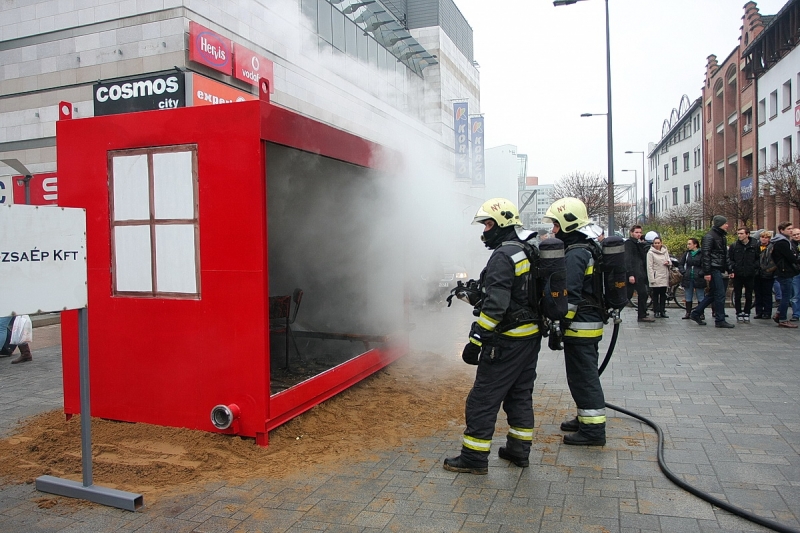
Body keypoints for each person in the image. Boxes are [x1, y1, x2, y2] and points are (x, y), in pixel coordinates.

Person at [443, 198, 542, 475]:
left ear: (501, 224)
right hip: (529, 338)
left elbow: (496, 307)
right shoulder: (526, 250)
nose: (484, 231)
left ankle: (474, 459)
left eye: (488, 224)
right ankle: (518, 451)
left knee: (483, 398)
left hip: (506, 341)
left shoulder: (502, 255)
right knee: (520, 395)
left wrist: (476, 340)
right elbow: (519, 294)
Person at [544, 198, 607, 446]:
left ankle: (593, 431)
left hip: (580, 325)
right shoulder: (588, 248)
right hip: (588, 322)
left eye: (557, 225)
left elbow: (570, 296)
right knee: (584, 374)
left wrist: (559, 325)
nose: (553, 231)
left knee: (583, 377)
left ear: (569, 224)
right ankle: (585, 418)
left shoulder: (576, 254)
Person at [690, 215, 734, 328]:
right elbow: (706, 255)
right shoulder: (709, 237)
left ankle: (695, 313)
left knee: (713, 294)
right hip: (714, 269)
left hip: (719, 268)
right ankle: (720, 319)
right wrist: (707, 272)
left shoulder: (722, 237)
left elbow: (725, 255)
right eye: (725, 223)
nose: (727, 225)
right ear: (720, 224)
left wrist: (730, 269)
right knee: (719, 294)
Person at [770, 221, 800, 328]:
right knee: (786, 296)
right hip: (785, 271)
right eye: (789, 229)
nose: (791, 231)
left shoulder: (778, 241)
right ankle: (782, 318)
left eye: (792, 228)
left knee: (786, 295)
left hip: (782, 271)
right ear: (782, 230)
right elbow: (791, 258)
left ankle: (779, 314)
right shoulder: (783, 242)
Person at [728, 227, 759, 323]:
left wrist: (754, 267)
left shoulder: (755, 245)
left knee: (749, 294)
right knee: (737, 294)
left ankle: (747, 312)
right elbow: (730, 259)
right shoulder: (734, 246)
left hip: (750, 273)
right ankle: (738, 312)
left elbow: (758, 258)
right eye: (738, 234)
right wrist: (732, 268)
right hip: (738, 273)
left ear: (747, 234)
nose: (739, 235)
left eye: (741, 233)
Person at [624, 225, 654, 323]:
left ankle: (642, 314)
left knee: (642, 294)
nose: (639, 234)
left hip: (640, 273)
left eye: (640, 232)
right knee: (629, 295)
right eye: (636, 232)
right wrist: (630, 274)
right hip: (634, 273)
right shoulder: (629, 244)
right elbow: (628, 260)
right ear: (631, 232)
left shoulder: (638, 243)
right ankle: (641, 315)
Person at [679, 238, 706, 319]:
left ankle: (701, 313)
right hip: (688, 277)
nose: (688, 246)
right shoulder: (687, 254)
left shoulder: (701, 254)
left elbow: (705, 265)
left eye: (689, 244)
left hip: (699, 278)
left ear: (695, 244)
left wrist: (701, 273)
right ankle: (688, 312)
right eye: (687, 244)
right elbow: (680, 264)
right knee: (688, 295)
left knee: (700, 296)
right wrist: (683, 272)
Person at [646, 237, 671, 318]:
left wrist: (668, 262)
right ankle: (656, 310)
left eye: (658, 243)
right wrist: (651, 279)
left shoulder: (665, 251)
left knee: (663, 295)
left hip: (664, 275)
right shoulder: (650, 253)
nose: (657, 244)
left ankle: (662, 310)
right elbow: (649, 266)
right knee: (656, 295)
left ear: (661, 243)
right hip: (656, 276)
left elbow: (669, 260)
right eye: (655, 243)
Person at [754, 230, 775, 319]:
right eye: (762, 237)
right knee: (758, 293)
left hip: (768, 273)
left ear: (769, 239)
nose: (764, 239)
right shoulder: (756, 247)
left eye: (766, 237)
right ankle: (759, 312)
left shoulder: (772, 247)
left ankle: (767, 312)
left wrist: (769, 270)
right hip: (757, 274)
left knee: (767, 294)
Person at [790, 228, 800, 321]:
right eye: (794, 235)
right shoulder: (790, 245)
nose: (797, 236)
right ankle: (796, 314)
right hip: (796, 272)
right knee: (796, 295)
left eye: (798, 234)